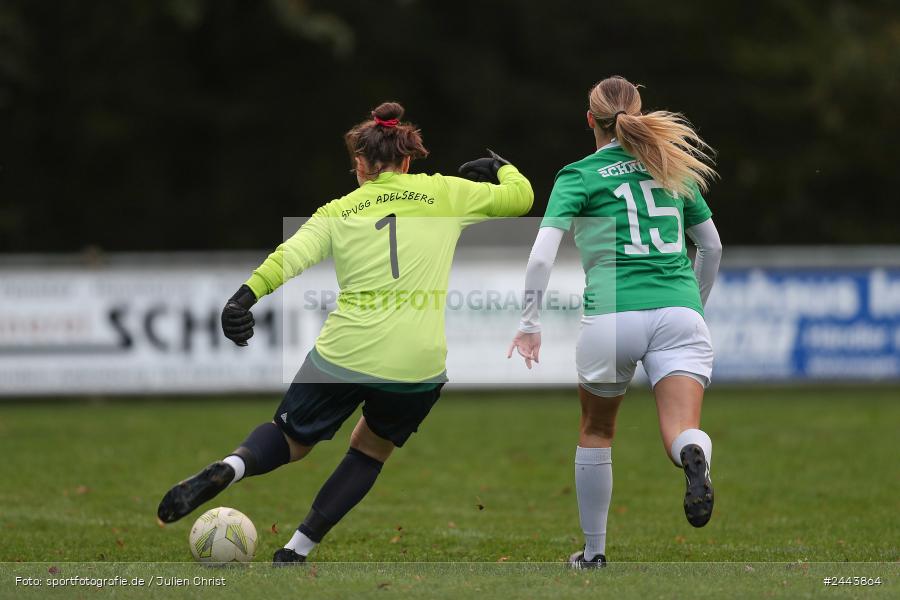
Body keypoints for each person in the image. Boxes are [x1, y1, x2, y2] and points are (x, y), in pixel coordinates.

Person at [157, 101, 533, 564]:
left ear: (360, 165)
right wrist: (503, 167)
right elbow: (522, 199)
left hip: (345, 352)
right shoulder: (445, 193)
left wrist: (242, 298)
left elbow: (288, 257)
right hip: (418, 365)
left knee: (290, 439)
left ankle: (233, 466)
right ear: (408, 160)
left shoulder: (338, 210)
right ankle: (297, 550)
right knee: (370, 452)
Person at [508, 76, 722, 569]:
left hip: (612, 316)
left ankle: (594, 552)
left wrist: (530, 322)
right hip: (679, 312)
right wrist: (694, 306)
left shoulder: (579, 175)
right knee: (682, 429)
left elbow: (542, 257)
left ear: (591, 120)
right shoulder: (672, 165)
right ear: (640, 113)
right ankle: (694, 457)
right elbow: (710, 247)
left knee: (597, 430)